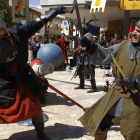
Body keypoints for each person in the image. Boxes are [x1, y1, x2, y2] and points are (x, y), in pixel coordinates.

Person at [0, 6, 66, 140]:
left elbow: (36, 23)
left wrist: (54, 12)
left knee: (35, 106)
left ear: (4, 27)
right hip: (5, 81)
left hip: (24, 77)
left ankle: (41, 133)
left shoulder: (18, 33)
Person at [79, 20, 140, 140]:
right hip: (116, 95)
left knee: (133, 134)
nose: (134, 33)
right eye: (135, 29)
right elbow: (106, 55)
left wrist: (136, 82)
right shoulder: (123, 45)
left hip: (136, 99)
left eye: (138, 32)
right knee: (98, 124)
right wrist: (90, 47)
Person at [73, 23, 97, 93]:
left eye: (81, 30)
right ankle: (81, 85)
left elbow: (86, 46)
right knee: (80, 69)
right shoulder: (84, 35)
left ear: (83, 29)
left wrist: (77, 49)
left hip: (88, 56)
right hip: (83, 55)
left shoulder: (88, 35)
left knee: (90, 70)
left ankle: (94, 87)